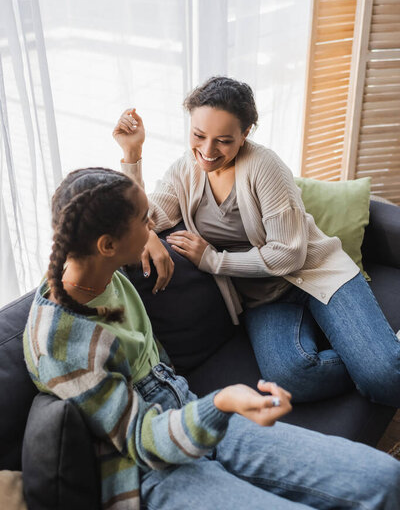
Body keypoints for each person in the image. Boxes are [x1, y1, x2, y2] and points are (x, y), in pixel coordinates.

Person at [23, 167, 400, 510]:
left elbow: (100, 207)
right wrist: (221, 402)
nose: (154, 223)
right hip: (147, 467)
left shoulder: (89, 262)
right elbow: (142, 439)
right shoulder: (63, 345)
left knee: (384, 479)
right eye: (143, 220)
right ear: (106, 245)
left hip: (187, 409)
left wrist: (144, 228)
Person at [113, 76, 400, 405]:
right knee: (294, 376)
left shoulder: (265, 167)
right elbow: (142, 218)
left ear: (245, 134)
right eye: (198, 135)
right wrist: (132, 154)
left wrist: (214, 261)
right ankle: (374, 358)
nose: (207, 151)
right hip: (264, 300)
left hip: (317, 274)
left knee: (385, 380)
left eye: (223, 140)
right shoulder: (184, 170)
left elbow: (288, 255)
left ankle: (380, 363)